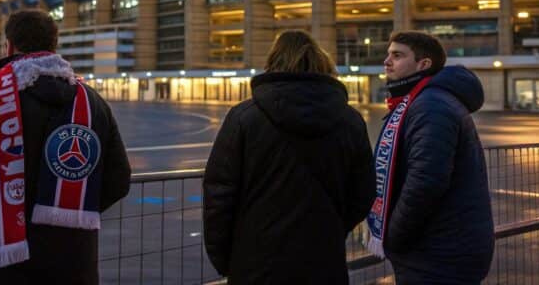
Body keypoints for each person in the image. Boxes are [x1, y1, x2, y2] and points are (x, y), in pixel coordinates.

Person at [0, 9, 131, 284]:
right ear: (53, 45)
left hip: (1, 263)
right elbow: (119, 180)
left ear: (10, 46)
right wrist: (74, 210)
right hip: (74, 262)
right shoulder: (93, 104)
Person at [203, 30, 375, 284]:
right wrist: (332, 229)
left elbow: (219, 194)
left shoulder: (244, 117)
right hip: (324, 259)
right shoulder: (350, 120)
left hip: (256, 261)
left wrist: (225, 257)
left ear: (272, 62)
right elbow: (363, 192)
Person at [367, 31, 494, 284]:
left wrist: (394, 236)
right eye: (388, 54)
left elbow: (426, 181)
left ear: (423, 64)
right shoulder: (423, 101)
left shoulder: (431, 105)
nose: (387, 61)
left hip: (439, 253)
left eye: (397, 55)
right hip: (443, 246)